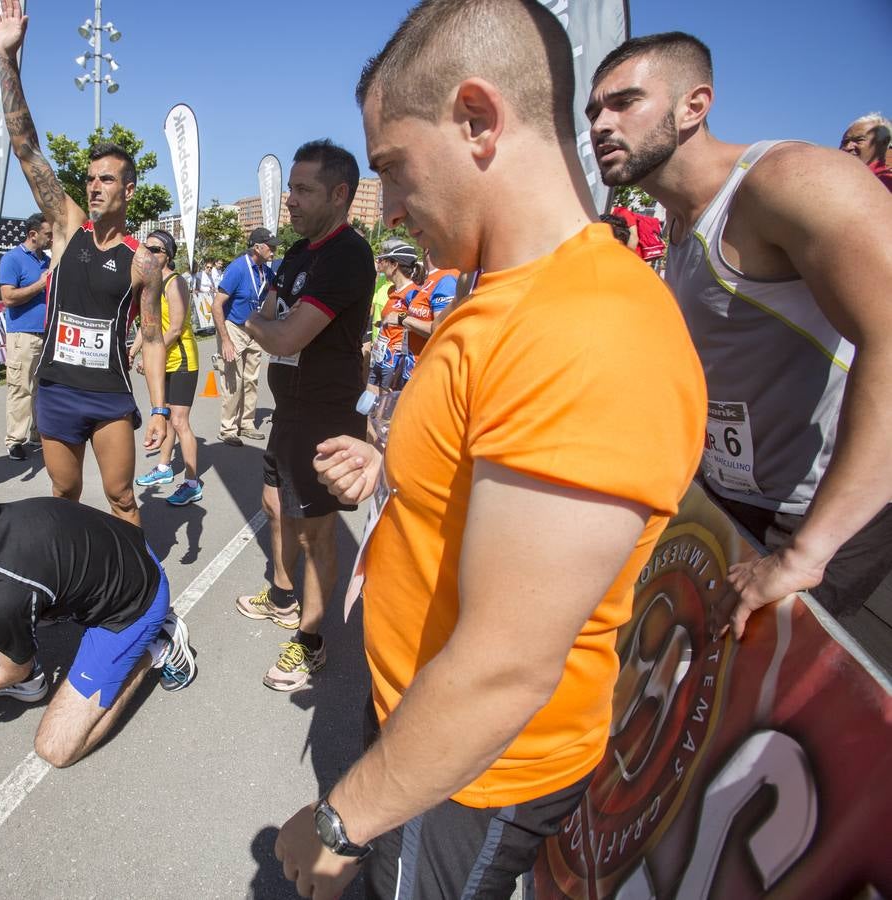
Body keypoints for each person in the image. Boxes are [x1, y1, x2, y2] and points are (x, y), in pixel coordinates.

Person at [273, 3, 707, 898]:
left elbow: (506, 666)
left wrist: (338, 822)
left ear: (477, 118)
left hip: (472, 770)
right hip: (419, 721)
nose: (388, 208)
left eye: (392, 167)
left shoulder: (587, 328)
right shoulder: (502, 293)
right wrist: (390, 469)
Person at [589, 33, 892, 668]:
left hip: (825, 512)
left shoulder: (788, 180)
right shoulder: (675, 224)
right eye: (594, 111)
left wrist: (807, 553)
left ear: (695, 105)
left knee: (755, 721)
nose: (602, 124)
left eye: (624, 102)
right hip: (732, 497)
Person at [0, 0, 168, 528]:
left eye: (107, 178)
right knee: (64, 492)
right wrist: (7, 61)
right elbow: (27, 150)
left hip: (110, 393)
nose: (94, 185)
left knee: (121, 498)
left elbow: (155, 336)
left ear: (128, 189)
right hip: (57, 389)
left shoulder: (144, 262)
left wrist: (159, 408)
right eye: (91, 178)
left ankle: (140, 597)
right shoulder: (68, 229)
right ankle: (65, 583)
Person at [0, 498, 197, 768]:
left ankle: (159, 644)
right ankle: (48, 628)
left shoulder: (5, 602)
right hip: (124, 544)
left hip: (136, 601)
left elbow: (11, 673)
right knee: (22, 617)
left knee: (56, 749)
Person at [236, 140, 375, 692]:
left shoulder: (346, 254)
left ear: (340, 195)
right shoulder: (296, 255)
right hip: (288, 408)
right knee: (274, 505)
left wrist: (263, 329)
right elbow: (262, 315)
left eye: (302, 189)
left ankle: (312, 640)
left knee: (317, 532)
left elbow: (281, 331)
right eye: (289, 187)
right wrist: (265, 327)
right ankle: (280, 595)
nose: (288, 201)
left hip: (324, 413)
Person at [133, 229, 203, 506]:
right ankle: (164, 468)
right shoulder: (149, 284)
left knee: (179, 421)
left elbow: (174, 328)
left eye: (156, 249)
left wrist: (152, 356)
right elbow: (147, 326)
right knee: (164, 415)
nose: (148, 253)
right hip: (164, 359)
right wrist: (133, 349)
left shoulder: (175, 283)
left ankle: (193, 483)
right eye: (146, 248)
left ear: (168, 256)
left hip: (182, 360)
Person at [213, 228, 278, 446]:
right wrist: (226, 340)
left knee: (251, 379)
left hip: (254, 330)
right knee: (233, 380)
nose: (274, 249)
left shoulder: (266, 272)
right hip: (234, 327)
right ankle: (228, 427)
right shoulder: (238, 268)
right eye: (271, 245)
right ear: (257, 247)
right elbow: (216, 305)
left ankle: (247, 423)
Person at [0, 212, 52, 461]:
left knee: (42, 388)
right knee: (21, 388)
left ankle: (38, 433)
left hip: (46, 334)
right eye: (48, 234)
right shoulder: (12, 259)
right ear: (33, 235)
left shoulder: (47, 260)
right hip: (23, 335)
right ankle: (15, 440)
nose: (51, 239)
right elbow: (8, 298)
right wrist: (40, 285)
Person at [365, 238, 423, 395]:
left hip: (394, 360)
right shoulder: (391, 291)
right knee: (368, 404)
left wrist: (400, 320)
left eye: (383, 259)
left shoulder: (413, 292)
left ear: (395, 264)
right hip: (380, 354)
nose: (379, 262)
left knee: (384, 410)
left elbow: (419, 321)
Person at [839, 112, 892, 191]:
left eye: (859, 140)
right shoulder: (837, 180)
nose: (847, 147)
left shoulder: (886, 183)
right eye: (845, 142)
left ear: (884, 142)